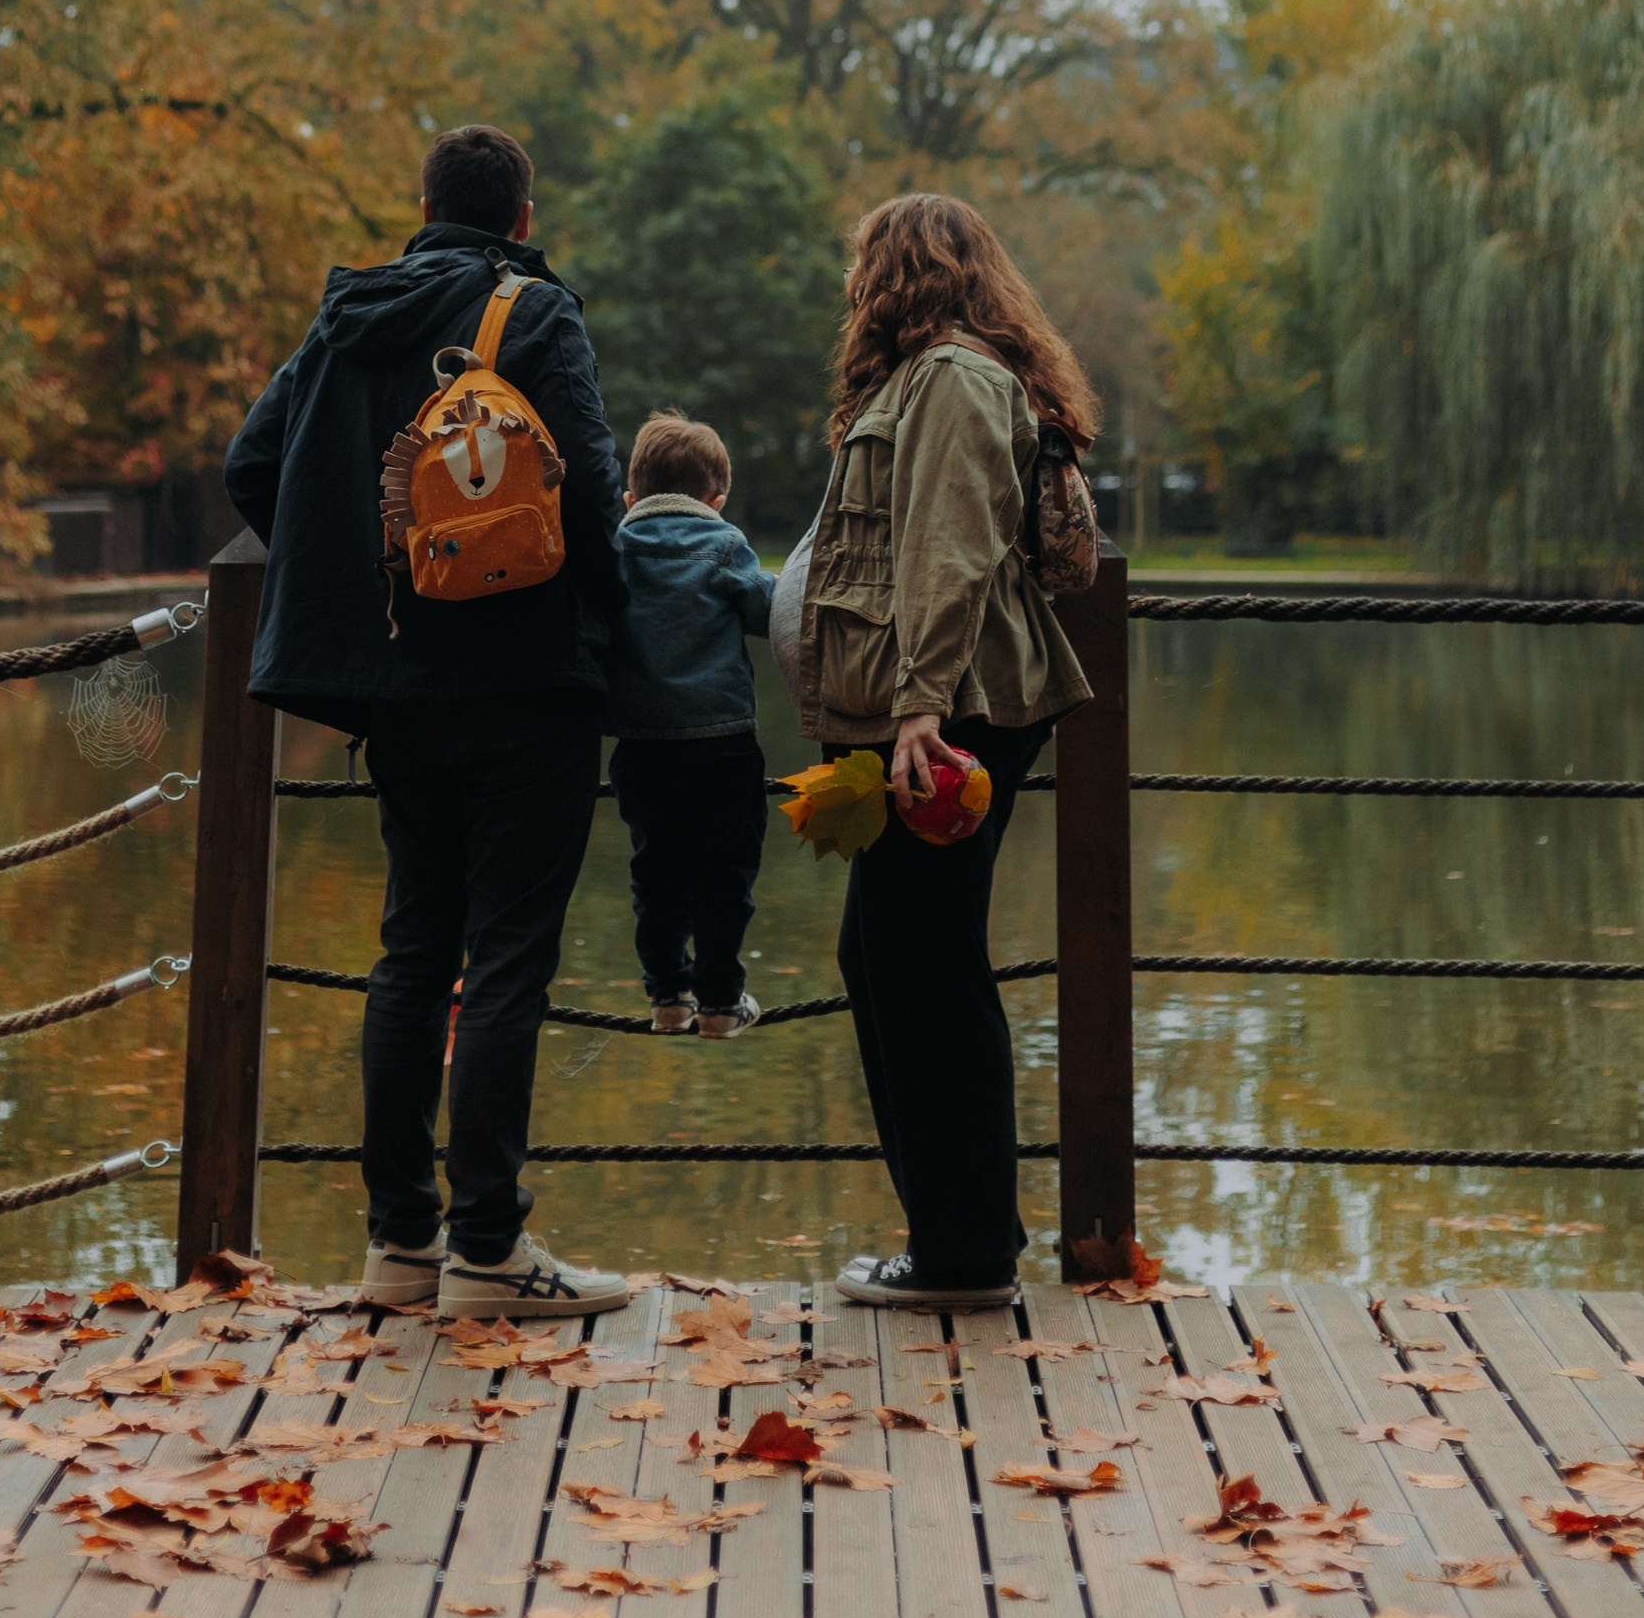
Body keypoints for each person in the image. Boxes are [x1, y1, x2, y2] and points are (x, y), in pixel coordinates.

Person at [226, 124, 632, 1320]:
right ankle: (488, 1249)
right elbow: (590, 492)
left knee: (413, 951)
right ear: (520, 217)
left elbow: (253, 463)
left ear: (421, 208)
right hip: (527, 680)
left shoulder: (344, 320)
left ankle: (398, 1244)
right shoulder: (532, 312)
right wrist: (605, 627)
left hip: (397, 689)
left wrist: (365, 582)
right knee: (506, 957)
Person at [793, 192, 1096, 1309]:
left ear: (896, 270)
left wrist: (916, 707)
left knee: (923, 966)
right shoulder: (928, 376)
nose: (853, 285)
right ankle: (957, 1235)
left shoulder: (956, 377)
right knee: (888, 958)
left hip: (951, 708)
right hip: (932, 703)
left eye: (862, 264)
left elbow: (949, 544)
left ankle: (964, 1254)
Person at [604, 411, 776, 1040]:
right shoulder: (725, 543)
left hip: (641, 744)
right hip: (722, 741)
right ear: (716, 498)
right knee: (724, 876)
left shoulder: (616, 549)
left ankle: (668, 997)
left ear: (631, 496)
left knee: (656, 872)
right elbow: (768, 613)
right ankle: (721, 1003)